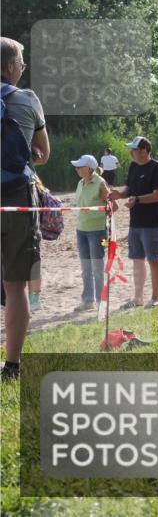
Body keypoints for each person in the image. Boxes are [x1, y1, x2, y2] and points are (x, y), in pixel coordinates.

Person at [1, 37, 49, 382]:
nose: (22, 68)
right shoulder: (27, 99)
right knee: (15, 284)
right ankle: (12, 367)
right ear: (9, 67)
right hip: (16, 197)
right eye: (21, 63)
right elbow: (44, 153)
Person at [108, 136, 158, 309]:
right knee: (137, 259)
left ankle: (155, 298)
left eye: (133, 149)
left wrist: (137, 199)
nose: (130, 152)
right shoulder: (133, 166)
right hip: (135, 222)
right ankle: (138, 298)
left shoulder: (157, 167)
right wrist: (119, 194)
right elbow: (129, 189)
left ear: (143, 151)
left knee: (153, 259)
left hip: (152, 222)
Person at [71, 154, 109, 313]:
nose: (77, 169)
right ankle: (87, 300)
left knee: (97, 268)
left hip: (97, 231)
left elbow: (112, 206)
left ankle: (101, 302)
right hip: (81, 230)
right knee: (86, 267)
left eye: (80, 166)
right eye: (77, 166)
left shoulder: (100, 183)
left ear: (89, 168)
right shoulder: (80, 183)